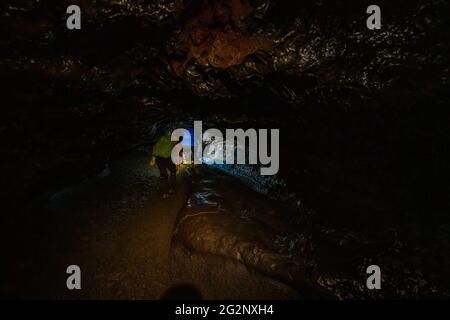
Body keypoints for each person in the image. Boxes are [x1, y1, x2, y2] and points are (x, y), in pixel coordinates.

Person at [149, 133, 179, 199]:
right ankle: (172, 189)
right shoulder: (174, 141)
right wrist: (177, 165)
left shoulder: (162, 139)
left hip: (159, 158)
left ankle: (165, 193)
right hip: (168, 158)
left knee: (164, 175)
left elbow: (155, 148)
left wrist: (153, 159)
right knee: (173, 172)